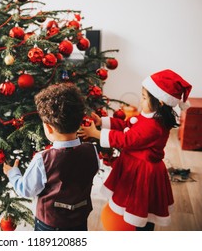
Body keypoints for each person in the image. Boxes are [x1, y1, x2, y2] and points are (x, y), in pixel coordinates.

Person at [78, 69, 192, 231]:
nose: (141, 100)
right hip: (135, 164)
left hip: (144, 171)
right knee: (131, 200)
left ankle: (141, 231)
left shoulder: (154, 126)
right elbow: (127, 126)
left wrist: (96, 134)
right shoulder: (150, 117)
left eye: (144, 98)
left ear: (160, 102)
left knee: (141, 204)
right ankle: (132, 223)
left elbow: (127, 139)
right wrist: (102, 122)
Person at [3, 82, 99, 231]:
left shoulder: (43, 159)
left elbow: (26, 190)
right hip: (79, 220)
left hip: (49, 224)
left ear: (48, 127)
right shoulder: (92, 151)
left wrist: (13, 173)